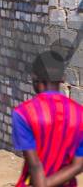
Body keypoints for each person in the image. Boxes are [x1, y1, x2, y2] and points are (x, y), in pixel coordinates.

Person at [12, 51, 83, 187]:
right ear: (62, 78)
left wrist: (43, 184)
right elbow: (78, 165)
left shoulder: (23, 113)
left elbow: (35, 165)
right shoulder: (80, 114)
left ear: (34, 77)